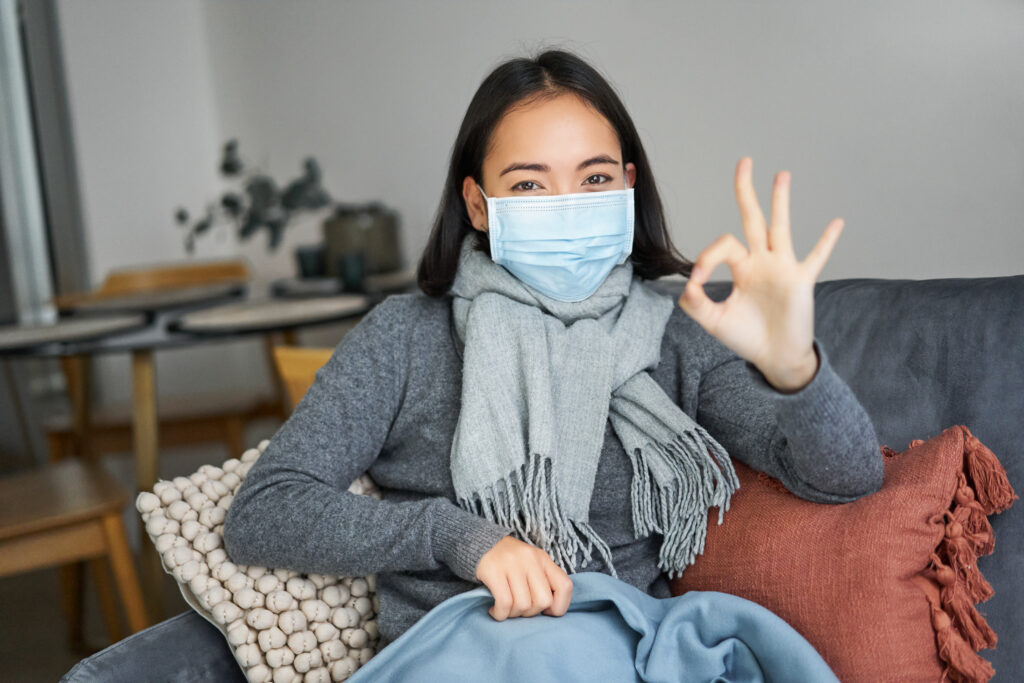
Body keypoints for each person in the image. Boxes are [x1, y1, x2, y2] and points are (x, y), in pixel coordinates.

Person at [222, 48, 883, 654]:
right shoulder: (404, 336)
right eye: (531, 185)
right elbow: (265, 510)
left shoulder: (675, 329)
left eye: (594, 178)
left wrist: (795, 367)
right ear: (478, 204)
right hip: (460, 653)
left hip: (625, 650)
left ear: (627, 185)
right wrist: (459, 539)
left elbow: (847, 476)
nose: (568, 205)